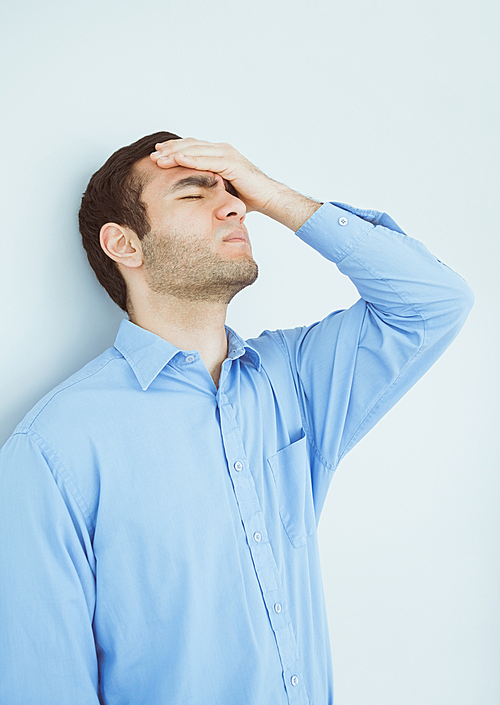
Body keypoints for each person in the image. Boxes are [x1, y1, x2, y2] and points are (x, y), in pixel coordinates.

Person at [0, 131, 474, 705]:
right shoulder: (55, 445)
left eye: (234, 192)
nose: (234, 205)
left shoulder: (293, 379)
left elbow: (435, 301)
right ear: (124, 244)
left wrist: (275, 195)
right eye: (192, 194)